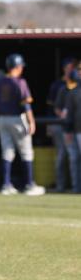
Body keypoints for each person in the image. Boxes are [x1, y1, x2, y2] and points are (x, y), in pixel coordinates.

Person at [0, 53, 45, 196]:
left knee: (7, 152)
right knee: (26, 152)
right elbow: (26, 104)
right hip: (17, 118)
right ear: (17, 66)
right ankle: (29, 184)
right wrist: (31, 121)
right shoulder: (19, 82)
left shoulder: (0, 82)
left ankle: (6, 184)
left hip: (2, 119)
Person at [52, 60, 79, 192]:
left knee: (74, 158)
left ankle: (76, 186)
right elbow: (59, 110)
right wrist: (67, 127)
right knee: (66, 157)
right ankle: (65, 186)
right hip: (67, 128)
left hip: (77, 129)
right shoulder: (64, 89)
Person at [62, 62, 81, 193]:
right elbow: (68, 114)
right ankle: (76, 187)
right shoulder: (74, 92)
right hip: (78, 130)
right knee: (74, 159)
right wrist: (68, 130)